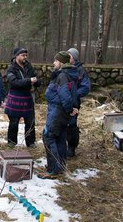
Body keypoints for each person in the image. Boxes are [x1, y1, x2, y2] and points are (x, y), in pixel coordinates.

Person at [38, 51, 78, 179]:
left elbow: (65, 95)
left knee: (49, 137)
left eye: (55, 61)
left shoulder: (62, 76)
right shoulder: (68, 75)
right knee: (60, 137)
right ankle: (60, 165)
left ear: (60, 62)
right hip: (61, 112)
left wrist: (69, 108)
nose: (53, 63)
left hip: (57, 111)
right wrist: (71, 108)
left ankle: (53, 170)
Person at [4, 48, 41, 148]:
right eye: (22, 55)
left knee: (30, 121)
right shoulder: (11, 69)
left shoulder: (29, 67)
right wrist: (29, 81)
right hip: (15, 98)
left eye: (25, 55)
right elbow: (14, 82)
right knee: (14, 122)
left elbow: (38, 80)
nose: (25, 57)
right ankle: (11, 142)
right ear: (16, 56)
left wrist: (36, 81)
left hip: (27, 98)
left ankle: (31, 142)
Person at [66, 48, 91, 157]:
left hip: (74, 103)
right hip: (63, 101)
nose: (68, 57)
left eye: (69, 55)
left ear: (74, 58)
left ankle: (71, 148)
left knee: (72, 125)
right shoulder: (64, 68)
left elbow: (85, 87)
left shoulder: (81, 70)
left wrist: (73, 94)